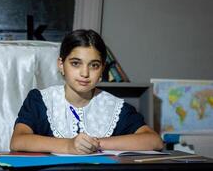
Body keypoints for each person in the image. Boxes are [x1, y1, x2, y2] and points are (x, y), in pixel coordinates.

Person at [10, 29, 163, 154]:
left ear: (102, 69)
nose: (85, 73)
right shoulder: (40, 100)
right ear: (61, 65)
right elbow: (18, 141)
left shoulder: (115, 107)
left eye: (94, 65)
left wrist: (96, 143)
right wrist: (69, 145)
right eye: (76, 63)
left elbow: (154, 140)